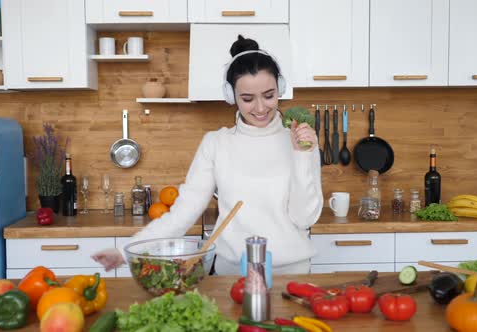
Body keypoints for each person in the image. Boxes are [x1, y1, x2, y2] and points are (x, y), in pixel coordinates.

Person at [92, 35, 323, 275]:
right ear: (231, 95)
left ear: (280, 88)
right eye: (247, 99)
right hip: (231, 275)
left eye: (268, 95)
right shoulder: (216, 143)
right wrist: (126, 251)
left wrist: (302, 156)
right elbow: (183, 212)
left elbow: (304, 218)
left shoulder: (299, 140)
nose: (260, 108)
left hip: (291, 274)